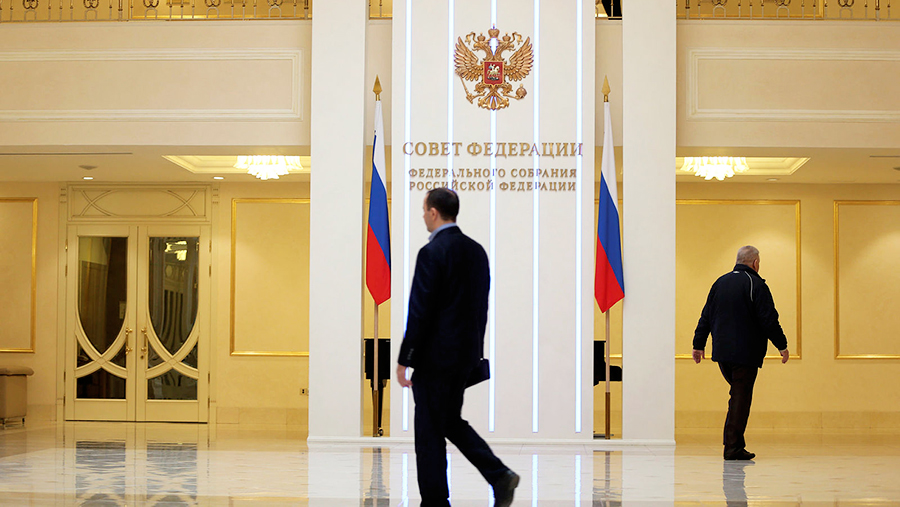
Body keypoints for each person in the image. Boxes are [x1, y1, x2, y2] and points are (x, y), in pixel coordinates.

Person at [397, 188, 519, 507]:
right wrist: (473, 352)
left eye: (424, 210)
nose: (423, 216)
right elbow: (481, 308)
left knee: (429, 430)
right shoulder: (476, 251)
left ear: (434, 212)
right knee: (448, 420)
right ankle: (499, 475)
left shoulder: (432, 252)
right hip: (464, 357)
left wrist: (406, 358)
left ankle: (436, 501)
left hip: (434, 359)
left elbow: (420, 311)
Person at [692, 245, 789, 461]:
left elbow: (706, 315)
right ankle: (733, 447)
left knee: (737, 395)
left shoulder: (719, 283)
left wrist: (698, 344)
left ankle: (734, 444)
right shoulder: (756, 284)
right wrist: (782, 345)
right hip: (746, 352)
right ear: (755, 263)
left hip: (722, 353)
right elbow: (768, 319)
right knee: (740, 397)